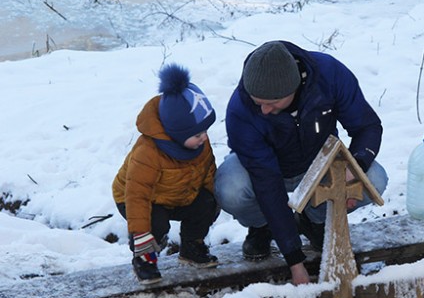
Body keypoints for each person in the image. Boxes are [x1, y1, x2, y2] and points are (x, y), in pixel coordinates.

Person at [215, 40, 388, 285]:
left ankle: (315, 221)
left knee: (374, 179)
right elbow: (267, 181)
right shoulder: (240, 110)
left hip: (319, 163)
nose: (264, 110)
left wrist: (354, 165)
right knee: (230, 188)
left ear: (293, 89)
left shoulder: (329, 74)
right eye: (258, 102)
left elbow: (367, 126)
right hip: (266, 169)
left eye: (272, 103)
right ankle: (263, 225)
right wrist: (295, 261)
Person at [112, 63, 220, 285]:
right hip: (138, 199)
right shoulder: (148, 152)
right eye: (198, 134)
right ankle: (145, 260)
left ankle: (191, 247)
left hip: (179, 194)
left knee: (206, 202)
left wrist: (213, 205)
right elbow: (137, 196)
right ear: (177, 133)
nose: (205, 138)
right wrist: (140, 236)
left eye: (206, 131)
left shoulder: (199, 144)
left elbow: (208, 172)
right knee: (156, 224)